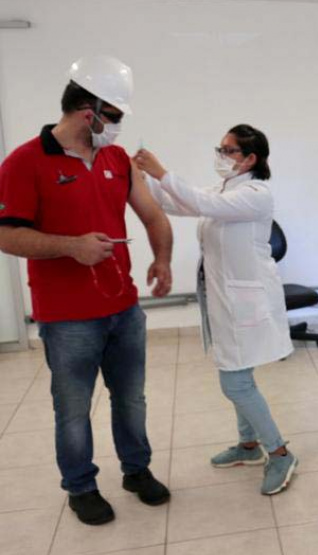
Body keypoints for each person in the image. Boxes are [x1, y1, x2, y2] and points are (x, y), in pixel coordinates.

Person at [0, 56, 173, 525]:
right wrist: (70, 247)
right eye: (112, 117)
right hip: (67, 317)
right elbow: (6, 233)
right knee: (73, 409)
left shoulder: (115, 158)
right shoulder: (24, 162)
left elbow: (153, 216)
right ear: (86, 111)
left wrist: (162, 259)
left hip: (123, 308)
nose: (115, 128)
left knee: (131, 399)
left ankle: (137, 471)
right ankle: (81, 487)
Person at [132, 124, 297, 495]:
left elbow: (204, 204)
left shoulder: (256, 193)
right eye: (219, 149)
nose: (220, 157)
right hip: (224, 300)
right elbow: (180, 202)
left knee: (235, 382)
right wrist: (144, 179)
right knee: (237, 373)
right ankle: (249, 446)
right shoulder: (225, 188)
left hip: (247, 302)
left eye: (229, 151)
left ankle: (280, 452)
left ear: (251, 159)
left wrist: (160, 172)